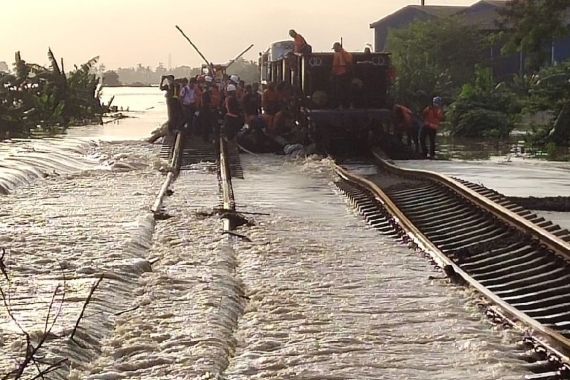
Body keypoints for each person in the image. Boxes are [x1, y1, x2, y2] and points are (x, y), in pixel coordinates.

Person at [331, 42, 353, 108]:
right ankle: (350, 105)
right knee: (348, 90)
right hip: (348, 75)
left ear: (338, 47)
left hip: (339, 75)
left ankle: (339, 105)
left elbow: (335, 65)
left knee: (338, 91)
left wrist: (332, 74)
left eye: (335, 48)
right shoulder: (348, 54)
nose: (334, 50)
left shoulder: (337, 55)